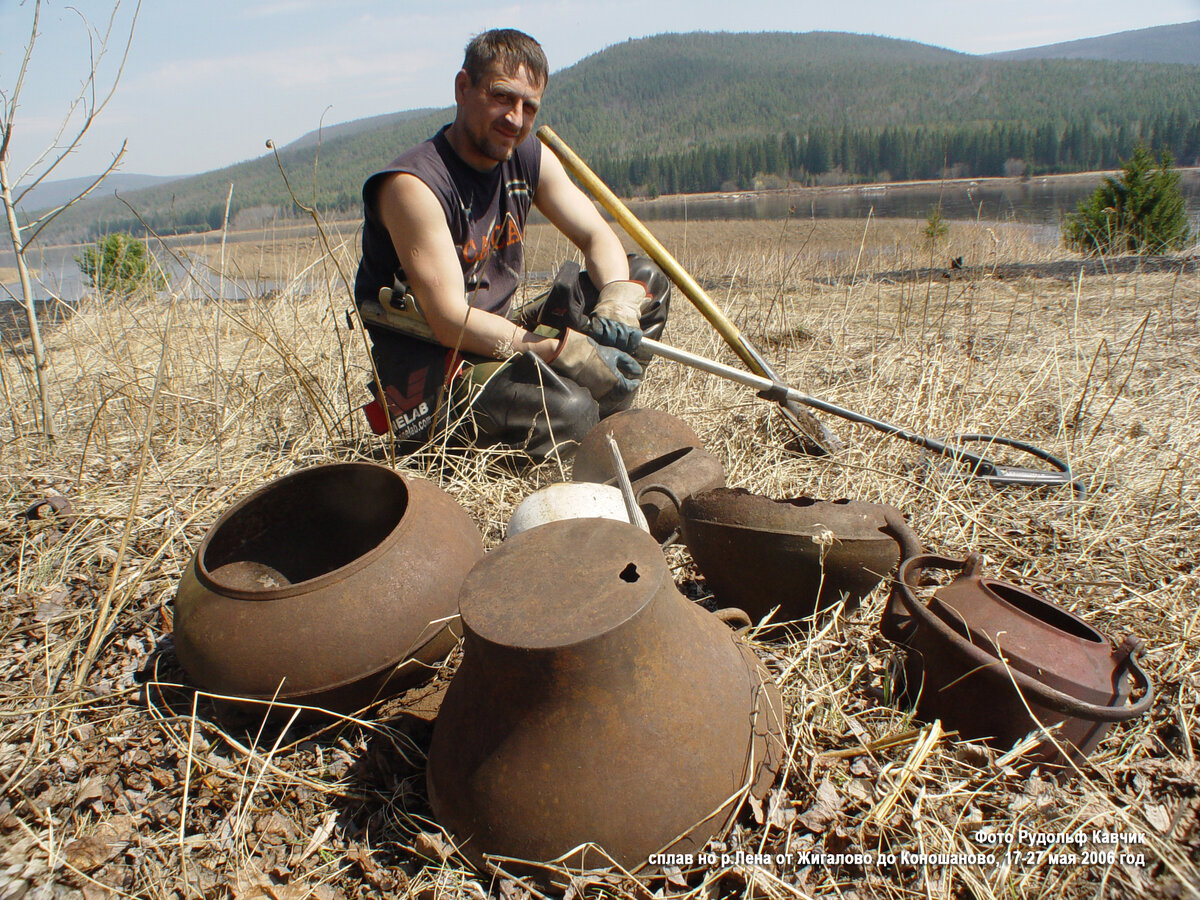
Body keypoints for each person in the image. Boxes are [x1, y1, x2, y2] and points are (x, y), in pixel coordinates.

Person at [354, 28, 669, 460]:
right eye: (502, 97)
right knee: (570, 411)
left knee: (642, 280)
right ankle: (582, 424)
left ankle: (606, 414)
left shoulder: (526, 156)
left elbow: (597, 236)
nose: (516, 119)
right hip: (434, 377)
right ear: (463, 88)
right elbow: (449, 321)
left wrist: (617, 302)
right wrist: (562, 351)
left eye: (529, 106)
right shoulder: (413, 186)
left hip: (498, 339)